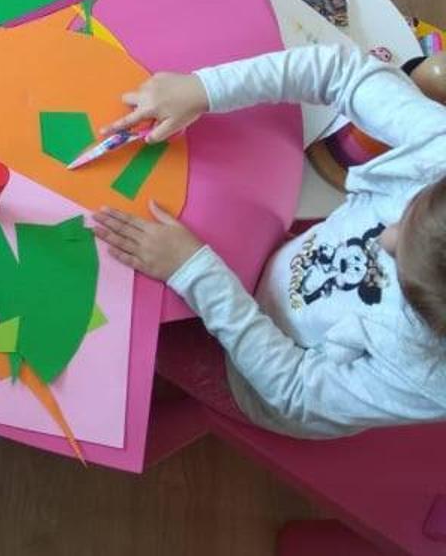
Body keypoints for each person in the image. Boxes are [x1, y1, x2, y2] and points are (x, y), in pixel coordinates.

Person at [91, 44, 446, 438]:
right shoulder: (439, 151)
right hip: (271, 268)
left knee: (133, 347)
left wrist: (194, 272)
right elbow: (340, 71)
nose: (384, 237)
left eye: (398, 263)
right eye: (406, 211)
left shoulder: (429, 376)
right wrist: (204, 89)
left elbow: (293, 390)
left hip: (251, 375)